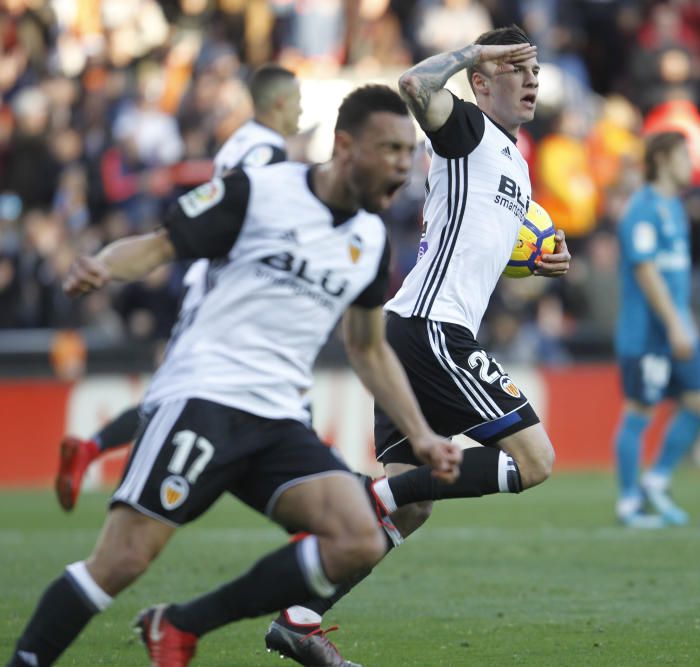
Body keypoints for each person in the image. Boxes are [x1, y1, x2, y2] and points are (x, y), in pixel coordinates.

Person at [7, 85, 462, 667]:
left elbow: (368, 349)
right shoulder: (261, 191)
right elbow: (160, 246)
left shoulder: (370, 242)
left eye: (409, 150)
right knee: (120, 562)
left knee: (357, 537)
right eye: (390, 148)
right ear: (345, 147)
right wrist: (104, 266)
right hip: (204, 396)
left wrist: (420, 435)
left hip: (277, 417)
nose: (403, 163)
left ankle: (181, 624)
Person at [263, 25, 573, 665]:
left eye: (535, 68)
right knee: (534, 460)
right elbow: (413, 85)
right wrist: (469, 56)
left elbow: (479, 240)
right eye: (517, 68)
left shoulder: (513, 158)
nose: (533, 79)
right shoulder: (467, 129)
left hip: (415, 328)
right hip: (434, 328)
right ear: (483, 82)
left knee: (413, 507)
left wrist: (535, 261)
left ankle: (298, 621)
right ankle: (366, 496)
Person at [55, 64, 303, 512]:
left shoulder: (240, 142)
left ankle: (91, 448)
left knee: (176, 390)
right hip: (232, 291)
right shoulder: (265, 153)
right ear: (280, 103)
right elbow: (242, 211)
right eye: (298, 99)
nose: (303, 108)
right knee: (206, 394)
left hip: (211, 282)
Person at [613, 131, 700, 528]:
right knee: (639, 412)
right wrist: (675, 323)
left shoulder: (675, 206)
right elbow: (645, 270)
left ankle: (656, 480)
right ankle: (628, 504)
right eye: (684, 156)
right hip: (647, 333)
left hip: (678, 326)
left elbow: (675, 277)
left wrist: (686, 321)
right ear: (664, 159)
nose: (691, 164)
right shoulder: (642, 208)